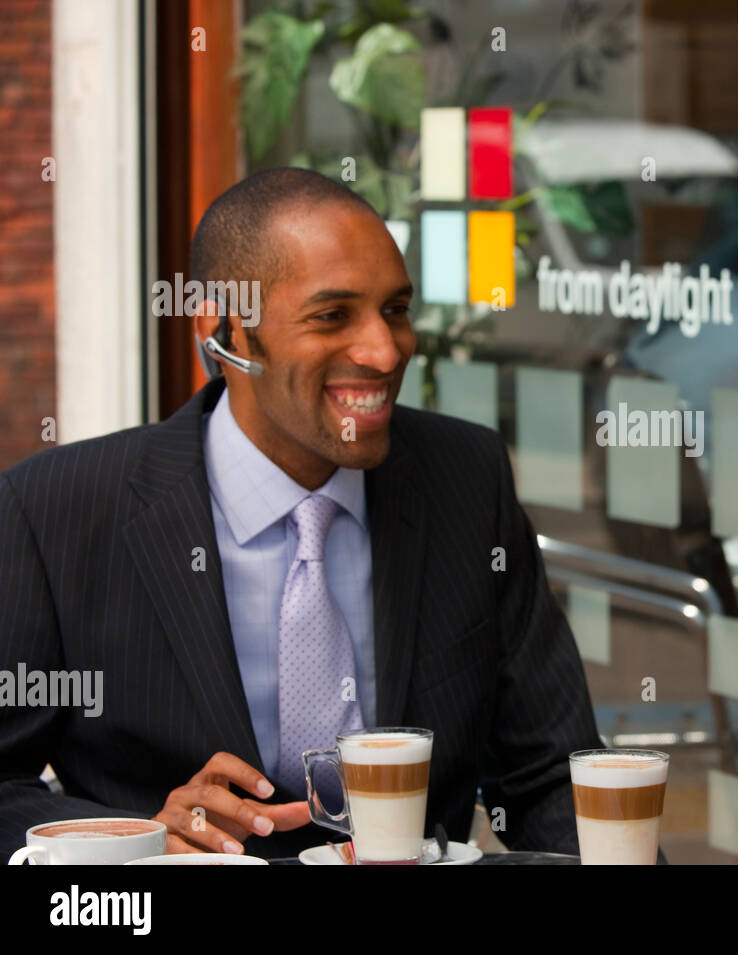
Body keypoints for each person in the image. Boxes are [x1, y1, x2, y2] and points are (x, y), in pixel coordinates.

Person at [0, 168, 604, 859]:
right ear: (223, 328)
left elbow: (552, 773)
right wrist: (136, 841)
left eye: (396, 309)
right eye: (332, 315)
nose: (384, 351)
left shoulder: (466, 478)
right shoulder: (55, 512)